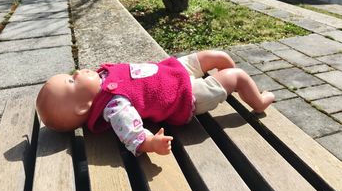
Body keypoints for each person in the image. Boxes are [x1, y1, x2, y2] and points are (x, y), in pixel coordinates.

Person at [36, 50, 274, 156]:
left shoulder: (101, 79)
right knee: (238, 75)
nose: (77, 72)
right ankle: (258, 100)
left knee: (219, 56)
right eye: (71, 80)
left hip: (173, 71)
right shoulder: (115, 106)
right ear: (82, 107)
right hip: (186, 95)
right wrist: (151, 143)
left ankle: (227, 88)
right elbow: (132, 133)